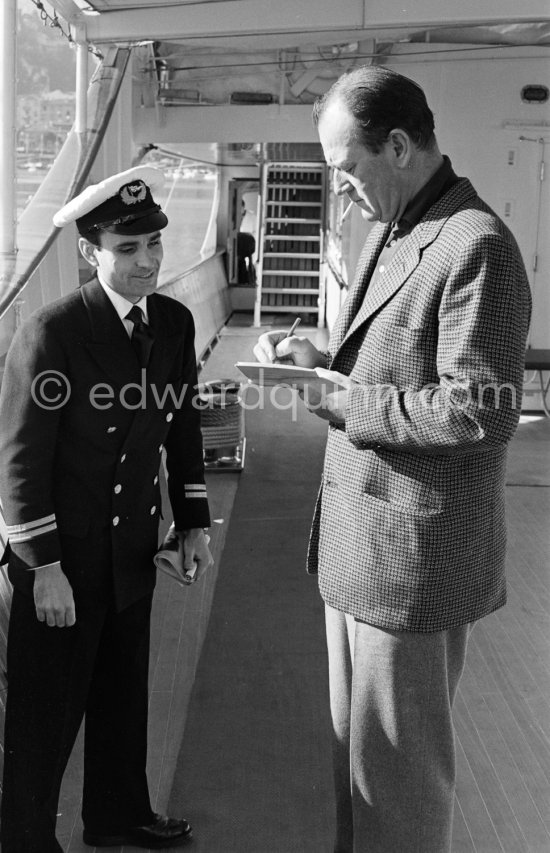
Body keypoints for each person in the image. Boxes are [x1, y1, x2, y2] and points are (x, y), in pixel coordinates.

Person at [254, 66, 531, 853]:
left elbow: (480, 409)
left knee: (400, 786)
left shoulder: (476, 246)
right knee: (360, 770)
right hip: (360, 551)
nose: (341, 190)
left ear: (400, 145)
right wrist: (317, 362)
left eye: (347, 168)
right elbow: (386, 360)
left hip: (413, 565)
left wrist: (339, 401)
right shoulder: (400, 226)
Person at [0, 165, 213, 851]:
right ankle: (25, 837)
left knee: (123, 696)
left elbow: (179, 426)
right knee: (44, 715)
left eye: (154, 243)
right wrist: (45, 567)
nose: (147, 261)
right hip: (62, 560)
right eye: (128, 248)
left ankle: (119, 814)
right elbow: (19, 461)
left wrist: (193, 521)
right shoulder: (54, 332)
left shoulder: (174, 323)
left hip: (129, 551)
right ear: (91, 251)